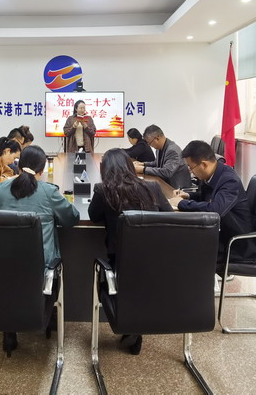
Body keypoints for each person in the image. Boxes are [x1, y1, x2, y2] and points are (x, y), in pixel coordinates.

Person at [0, 145, 79, 355]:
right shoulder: (48, 191)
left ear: (18, 166)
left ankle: (9, 331)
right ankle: (48, 318)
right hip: (42, 269)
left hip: (2, 265)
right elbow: (72, 218)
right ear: (42, 170)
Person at [88, 148, 172, 355]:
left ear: (104, 169)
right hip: (155, 260)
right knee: (138, 280)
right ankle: (135, 328)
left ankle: (128, 324)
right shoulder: (152, 187)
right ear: (129, 166)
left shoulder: (103, 190)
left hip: (120, 262)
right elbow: (169, 216)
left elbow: (93, 216)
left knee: (116, 281)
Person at [173, 140, 256, 261]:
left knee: (184, 248)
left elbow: (216, 210)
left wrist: (182, 204)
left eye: (191, 167)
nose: (191, 172)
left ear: (203, 165)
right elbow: (207, 197)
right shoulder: (213, 174)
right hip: (219, 234)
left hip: (235, 244)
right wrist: (188, 196)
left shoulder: (229, 180)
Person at [133, 125, 192, 189]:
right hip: (166, 183)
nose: (150, 145)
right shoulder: (159, 148)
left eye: (150, 143)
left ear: (157, 138)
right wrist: (143, 164)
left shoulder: (172, 150)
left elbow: (166, 172)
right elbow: (157, 163)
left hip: (177, 187)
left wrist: (143, 169)